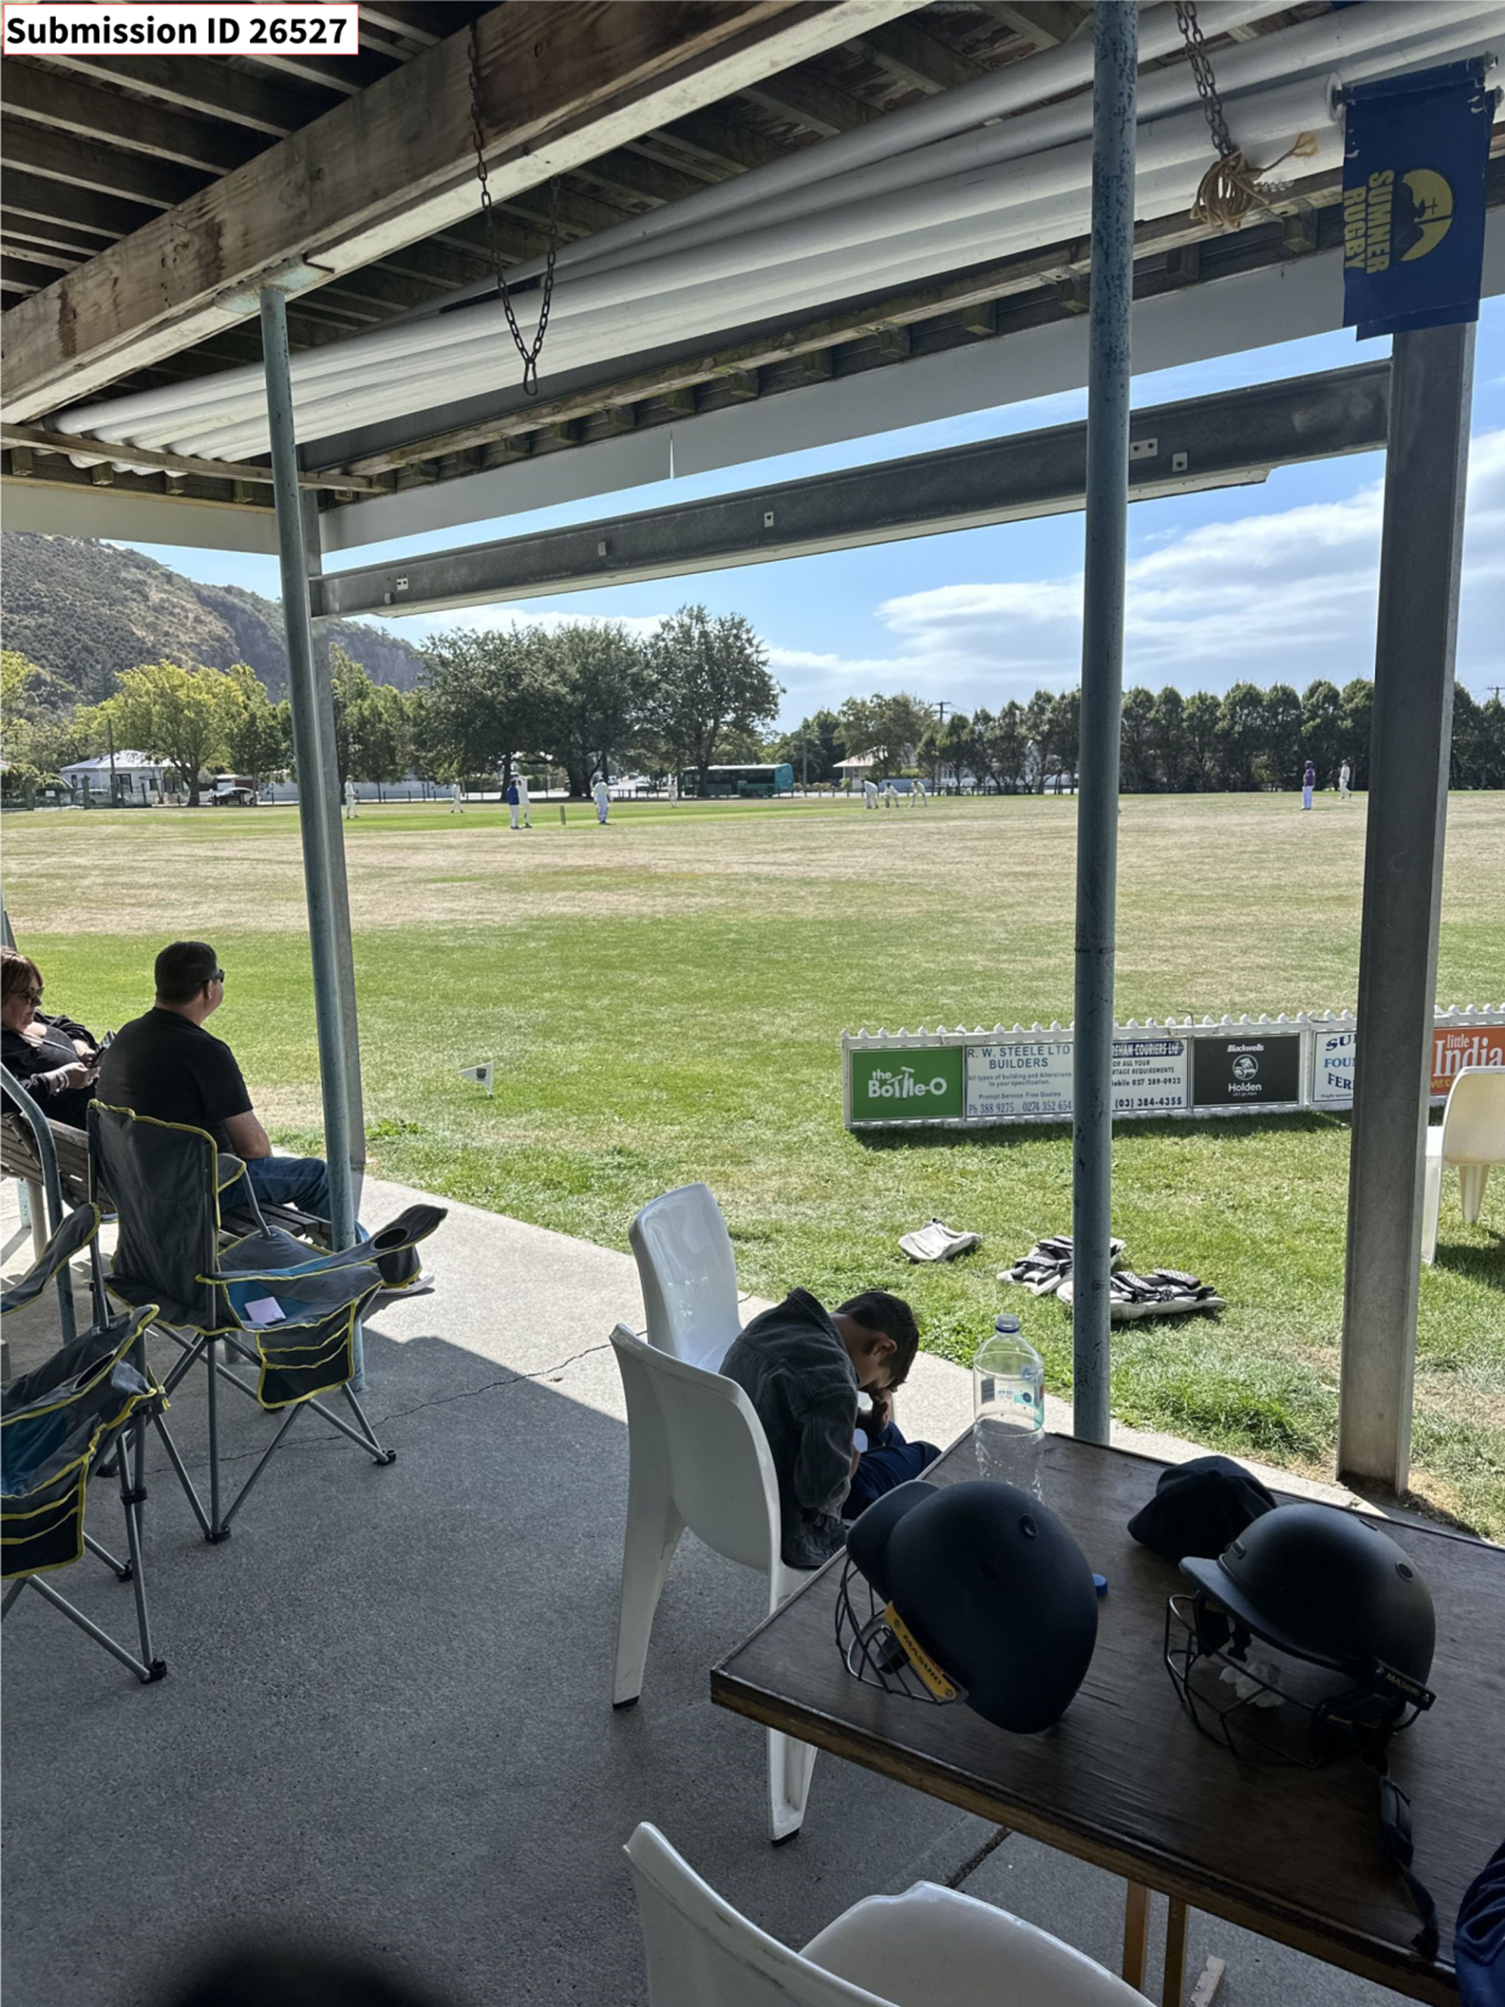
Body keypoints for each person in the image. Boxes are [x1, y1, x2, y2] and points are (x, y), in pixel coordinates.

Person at [98, 940, 333, 1219]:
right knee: (317, 1176)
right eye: (220, 976)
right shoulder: (205, 1051)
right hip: (196, 1189)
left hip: (139, 1183)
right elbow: (255, 1149)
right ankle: (362, 1248)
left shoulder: (128, 1035)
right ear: (208, 989)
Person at [722, 1287, 939, 1570]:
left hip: (733, 1479)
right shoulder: (834, 1381)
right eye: (869, 1385)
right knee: (928, 1455)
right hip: (791, 1518)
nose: (860, 1389)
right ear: (882, 1348)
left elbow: (791, 1400)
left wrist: (862, 1419)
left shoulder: (771, 1322)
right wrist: (847, 1468)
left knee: (887, 1434)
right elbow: (820, 1496)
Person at [1, 948, 101, 1129]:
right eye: (28, 995)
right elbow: (8, 1096)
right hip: (85, 1140)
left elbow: (67, 1025)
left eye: (38, 992)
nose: (38, 1002)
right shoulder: (6, 1046)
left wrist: (80, 1047)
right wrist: (62, 1079)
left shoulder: (27, 1019)